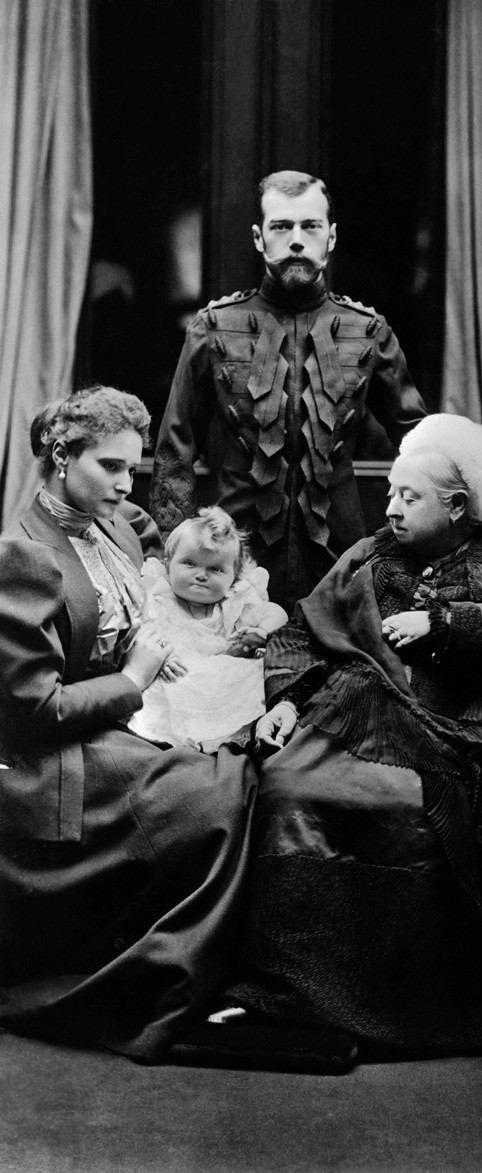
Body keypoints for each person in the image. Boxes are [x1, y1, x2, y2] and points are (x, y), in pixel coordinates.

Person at [174, 415, 482, 1072]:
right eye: (389, 492)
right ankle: (294, 990)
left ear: (456, 507)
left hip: (452, 723)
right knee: (284, 789)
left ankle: (402, 999)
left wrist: (448, 621)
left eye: (408, 496)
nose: (390, 506)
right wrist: (282, 700)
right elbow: (300, 632)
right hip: (348, 716)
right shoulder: (367, 557)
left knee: (406, 806)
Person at [0, 387, 257, 1062]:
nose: (124, 484)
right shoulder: (23, 554)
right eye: (110, 467)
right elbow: (38, 710)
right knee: (213, 793)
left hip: (129, 714)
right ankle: (163, 986)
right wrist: (137, 677)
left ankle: (224, 971)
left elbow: (150, 598)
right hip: (62, 753)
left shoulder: (117, 525)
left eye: (131, 469)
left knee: (245, 762)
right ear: (60, 457)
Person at [150, 169, 428, 611]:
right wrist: (175, 556)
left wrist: (419, 548)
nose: (296, 240)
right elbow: (173, 454)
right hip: (232, 562)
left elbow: (422, 447)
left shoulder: (369, 332)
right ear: (260, 239)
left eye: (310, 226)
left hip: (341, 564)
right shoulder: (212, 329)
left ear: (331, 237)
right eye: (282, 226)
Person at [127, 506, 288, 750]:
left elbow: (278, 613)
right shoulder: (158, 597)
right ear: (169, 565)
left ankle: (222, 739)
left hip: (223, 680)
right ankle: (179, 740)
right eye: (189, 563)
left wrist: (262, 632)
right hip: (177, 675)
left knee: (251, 677)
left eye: (215, 569)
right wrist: (163, 656)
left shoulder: (234, 602)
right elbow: (140, 632)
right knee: (163, 689)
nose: (201, 575)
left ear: (234, 577)